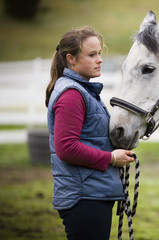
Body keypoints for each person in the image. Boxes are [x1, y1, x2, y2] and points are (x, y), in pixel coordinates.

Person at [45, 26, 135, 240]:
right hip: (84, 195)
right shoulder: (72, 95)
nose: (99, 60)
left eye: (100, 54)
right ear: (71, 59)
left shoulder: (82, 90)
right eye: (92, 55)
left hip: (91, 192)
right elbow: (66, 148)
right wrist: (111, 158)